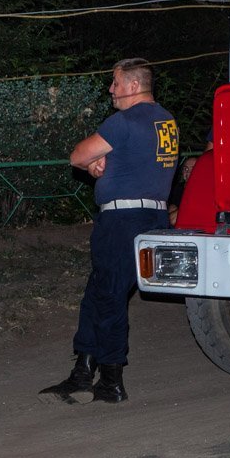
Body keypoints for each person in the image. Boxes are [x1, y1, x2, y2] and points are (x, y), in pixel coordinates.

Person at [39, 58, 178, 405]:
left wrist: (91, 162)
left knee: (110, 297)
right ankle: (83, 369)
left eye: (115, 83)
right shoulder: (166, 121)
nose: (111, 90)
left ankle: (112, 379)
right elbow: (135, 161)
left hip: (122, 221)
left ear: (133, 86)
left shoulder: (123, 121)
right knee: (98, 294)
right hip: (154, 218)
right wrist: (102, 164)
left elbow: (77, 155)